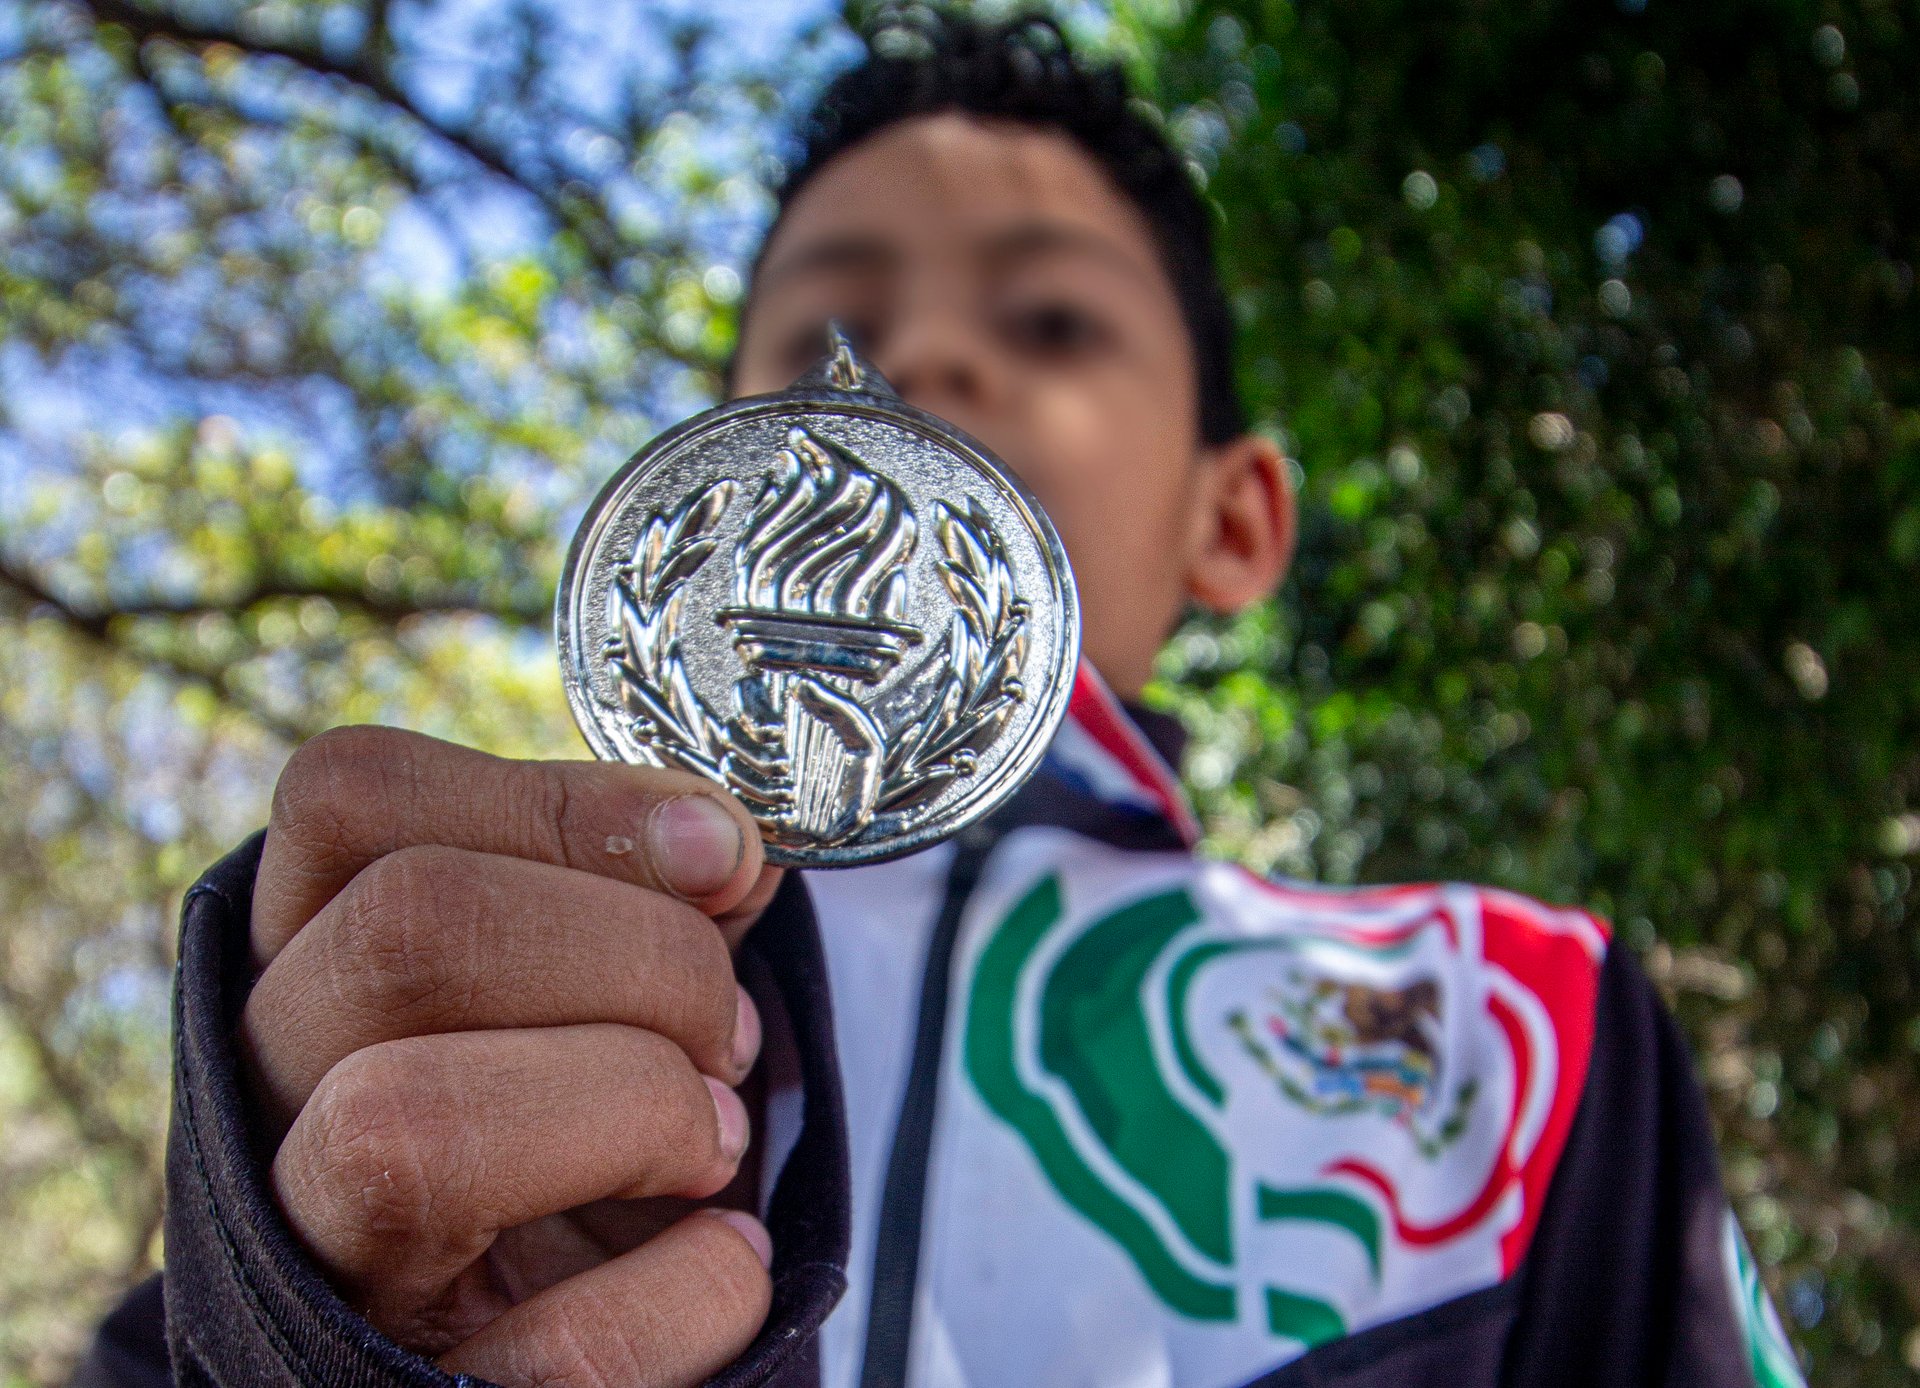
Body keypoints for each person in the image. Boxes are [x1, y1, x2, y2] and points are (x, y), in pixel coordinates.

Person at [72, 10, 1806, 1388]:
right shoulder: (435, 1039)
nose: (918, 368)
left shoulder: (1506, 1037)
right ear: (715, 470)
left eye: (1050, 320)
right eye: (827, 323)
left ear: (1236, 520)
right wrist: (306, 1327)